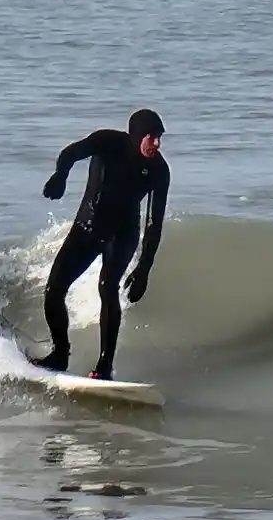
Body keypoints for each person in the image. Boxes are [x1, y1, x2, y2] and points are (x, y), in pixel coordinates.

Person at [28, 108, 170, 380]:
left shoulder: (159, 170)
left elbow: (154, 223)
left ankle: (104, 367)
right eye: (152, 137)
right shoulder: (108, 142)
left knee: (108, 288)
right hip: (88, 228)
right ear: (138, 135)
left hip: (123, 233)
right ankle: (60, 354)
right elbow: (70, 153)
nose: (157, 144)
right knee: (54, 289)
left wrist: (144, 268)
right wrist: (60, 176)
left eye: (160, 138)